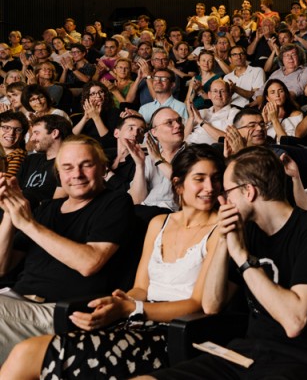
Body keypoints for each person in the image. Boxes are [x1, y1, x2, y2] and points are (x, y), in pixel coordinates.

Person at [2, 144, 225, 380]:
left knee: (32, 353)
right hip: (132, 320)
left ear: (102, 169)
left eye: (215, 179)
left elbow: (199, 304)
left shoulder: (222, 228)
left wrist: (130, 308)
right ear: (178, 184)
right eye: (200, 179)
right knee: (28, 353)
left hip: (169, 332)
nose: (210, 188)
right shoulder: (159, 222)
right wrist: (117, 302)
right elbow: (140, 289)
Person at [131, 146, 307, 380]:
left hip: (296, 361)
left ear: (249, 192)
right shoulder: (247, 231)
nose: (222, 200)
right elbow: (211, 305)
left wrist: (242, 257)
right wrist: (224, 240)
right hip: (242, 354)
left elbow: (294, 322)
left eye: (227, 192)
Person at [0, 135, 133, 363]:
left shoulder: (115, 202)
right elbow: (2, 267)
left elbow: (89, 263)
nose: (77, 174)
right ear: (59, 174)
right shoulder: (47, 209)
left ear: (103, 168)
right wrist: (10, 213)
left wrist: (28, 224)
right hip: (17, 302)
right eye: (68, 168)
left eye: (86, 165)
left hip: (63, 312)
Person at [16, 114, 71, 207]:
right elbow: (15, 191)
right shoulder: (30, 160)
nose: (32, 139)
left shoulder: (68, 165)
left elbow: (54, 207)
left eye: (36, 133)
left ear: (54, 133)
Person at [185, 79, 238, 145]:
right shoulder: (202, 111)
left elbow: (230, 139)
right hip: (186, 146)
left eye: (222, 91)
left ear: (229, 95)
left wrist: (201, 122)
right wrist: (191, 117)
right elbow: (183, 137)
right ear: (209, 95)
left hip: (205, 150)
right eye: (215, 91)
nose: (218, 94)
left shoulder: (234, 113)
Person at [71, 82, 121, 147]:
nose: (98, 96)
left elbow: (108, 141)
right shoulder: (83, 114)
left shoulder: (114, 112)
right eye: (93, 94)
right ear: (87, 98)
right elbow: (72, 137)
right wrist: (85, 118)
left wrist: (96, 117)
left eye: (101, 92)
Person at [0, 111, 28, 176]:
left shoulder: (18, 156)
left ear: (22, 135)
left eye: (18, 130)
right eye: (6, 128)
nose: (11, 133)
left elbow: (6, 180)